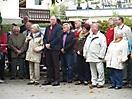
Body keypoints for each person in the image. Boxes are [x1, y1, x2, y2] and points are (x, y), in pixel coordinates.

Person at [83, 23, 107, 88]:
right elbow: (86, 45)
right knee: (92, 70)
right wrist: (85, 54)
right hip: (90, 56)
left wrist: (101, 55)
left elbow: (103, 46)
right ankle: (94, 82)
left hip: (97, 56)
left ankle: (101, 82)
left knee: (100, 70)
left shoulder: (101, 36)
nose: (91, 28)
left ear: (96, 28)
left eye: (92, 27)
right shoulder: (89, 36)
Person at [42, 15, 62, 86]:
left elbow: (58, 37)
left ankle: (57, 80)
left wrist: (50, 44)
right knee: (48, 64)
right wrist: (46, 44)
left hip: (54, 48)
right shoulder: (47, 28)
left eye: (54, 19)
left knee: (56, 65)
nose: (52, 21)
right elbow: (44, 37)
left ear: (56, 20)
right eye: (51, 19)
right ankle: (49, 79)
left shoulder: (58, 28)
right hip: (47, 49)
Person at [114, 15, 132, 84]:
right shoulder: (116, 29)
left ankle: (124, 78)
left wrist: (130, 50)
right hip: (117, 48)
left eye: (116, 20)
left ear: (120, 20)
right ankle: (118, 78)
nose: (115, 21)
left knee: (123, 64)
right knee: (117, 63)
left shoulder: (127, 29)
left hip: (124, 49)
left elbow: (130, 39)